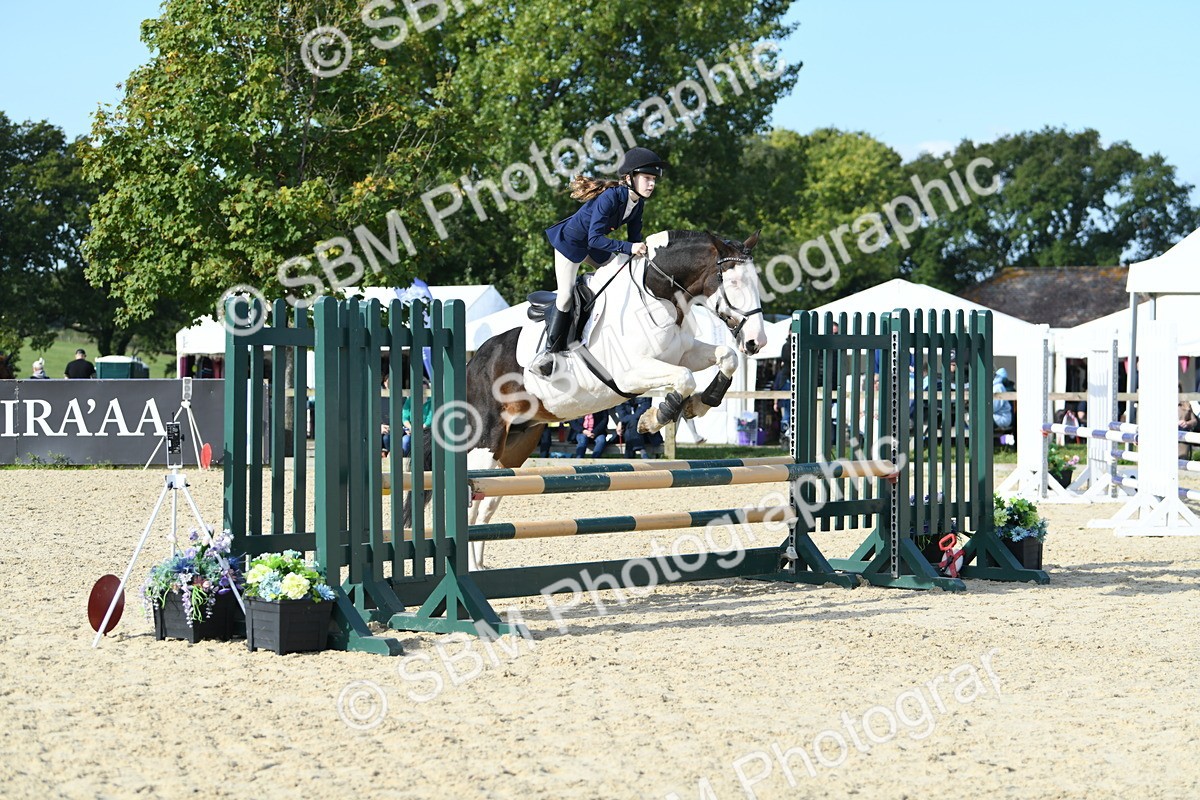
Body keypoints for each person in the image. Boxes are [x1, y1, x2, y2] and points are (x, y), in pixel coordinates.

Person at [534, 146, 668, 374]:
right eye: (646, 178)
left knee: (620, 271)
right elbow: (595, 238)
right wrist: (630, 247)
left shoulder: (637, 204)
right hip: (571, 243)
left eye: (653, 179)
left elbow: (634, 239)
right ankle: (548, 353)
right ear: (629, 178)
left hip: (592, 246)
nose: (651, 184)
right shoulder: (610, 197)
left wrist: (643, 255)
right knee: (565, 295)